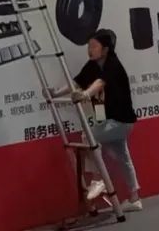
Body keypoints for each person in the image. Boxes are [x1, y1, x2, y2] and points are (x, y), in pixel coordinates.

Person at [49, 30, 142, 213]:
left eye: (93, 46)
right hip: (109, 120)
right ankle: (135, 199)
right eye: (88, 46)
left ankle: (98, 180)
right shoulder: (92, 65)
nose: (89, 50)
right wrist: (55, 93)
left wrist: (85, 94)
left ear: (105, 49)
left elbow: (99, 83)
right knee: (123, 157)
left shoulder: (113, 64)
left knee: (89, 138)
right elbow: (77, 82)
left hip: (121, 121)